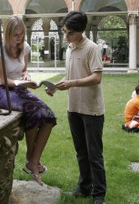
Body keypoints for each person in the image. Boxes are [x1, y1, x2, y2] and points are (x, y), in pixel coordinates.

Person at [46, 11, 106, 204]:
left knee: (94, 154)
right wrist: (57, 86)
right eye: (64, 32)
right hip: (73, 108)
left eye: (69, 33)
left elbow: (96, 77)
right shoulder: (71, 48)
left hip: (92, 110)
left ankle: (99, 194)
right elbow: (71, 75)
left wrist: (72, 83)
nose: (66, 37)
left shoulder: (92, 48)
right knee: (81, 151)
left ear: (81, 31)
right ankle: (84, 187)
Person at [0, 15, 56, 186]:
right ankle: (30, 157)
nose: (19, 38)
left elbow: (24, 70)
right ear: (7, 34)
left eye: (21, 34)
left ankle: (33, 161)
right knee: (34, 112)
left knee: (49, 115)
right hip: (3, 91)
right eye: (15, 35)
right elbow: (4, 80)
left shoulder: (25, 47)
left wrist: (27, 77)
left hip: (20, 89)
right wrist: (24, 83)